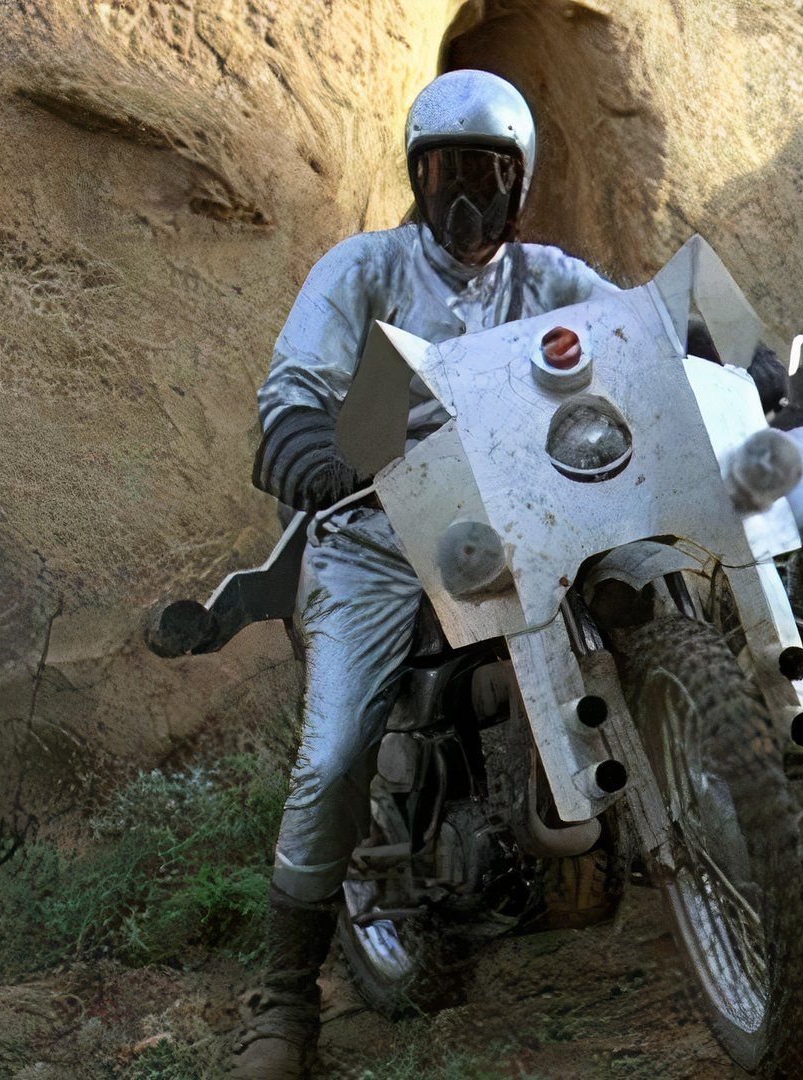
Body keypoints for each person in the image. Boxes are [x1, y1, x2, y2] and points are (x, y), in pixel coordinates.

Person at [232, 69, 619, 1080]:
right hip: (376, 545)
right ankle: (283, 1003)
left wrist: (718, 357)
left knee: (640, 584)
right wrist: (310, 450)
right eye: (445, 172)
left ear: (519, 180)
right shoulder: (361, 271)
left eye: (486, 173)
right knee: (333, 755)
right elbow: (292, 393)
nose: (465, 197)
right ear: (416, 177)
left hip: (519, 527)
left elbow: (640, 337)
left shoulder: (551, 278)